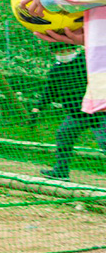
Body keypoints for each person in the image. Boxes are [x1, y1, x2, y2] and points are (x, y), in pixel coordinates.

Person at [31, 44, 106, 181]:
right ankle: (61, 171)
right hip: (76, 113)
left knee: (104, 141)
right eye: (59, 51)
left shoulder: (86, 62)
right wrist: (38, 107)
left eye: (65, 50)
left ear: (73, 49)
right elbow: (50, 90)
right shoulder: (57, 70)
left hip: (99, 112)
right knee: (63, 136)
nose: (63, 53)